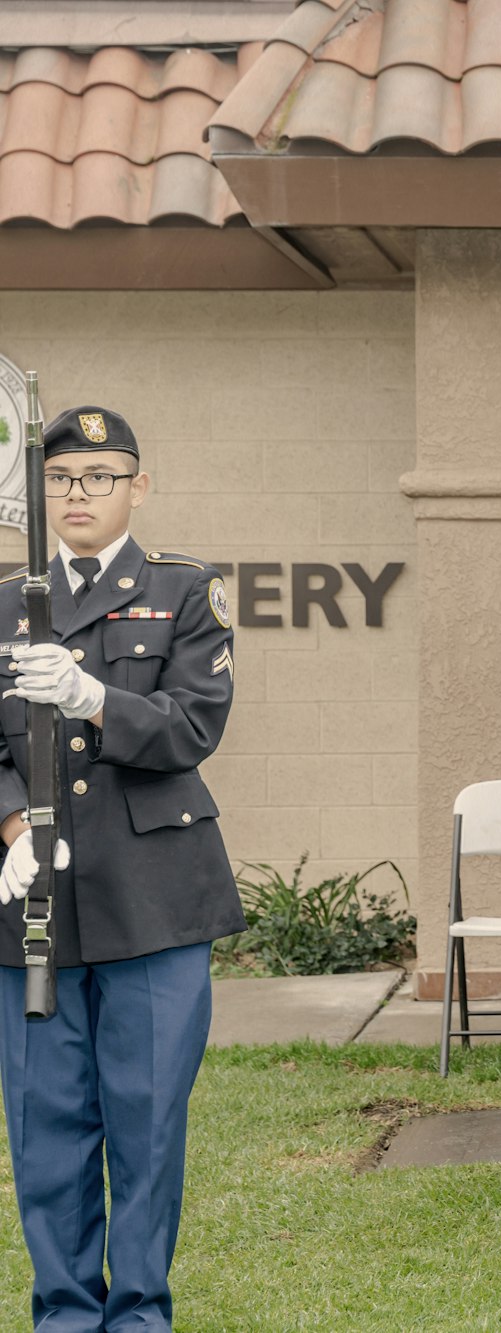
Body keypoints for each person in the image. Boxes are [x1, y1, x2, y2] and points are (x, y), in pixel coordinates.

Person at [0, 405, 241, 1329]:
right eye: (62, 477)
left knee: (144, 1125)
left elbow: (193, 726)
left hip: (153, 900)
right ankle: (63, 1313)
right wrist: (14, 823)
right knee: (47, 1130)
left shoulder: (184, 590)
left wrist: (95, 697)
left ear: (139, 486)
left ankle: (140, 1313)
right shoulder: (7, 599)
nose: (78, 494)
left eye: (101, 476)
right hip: (35, 903)